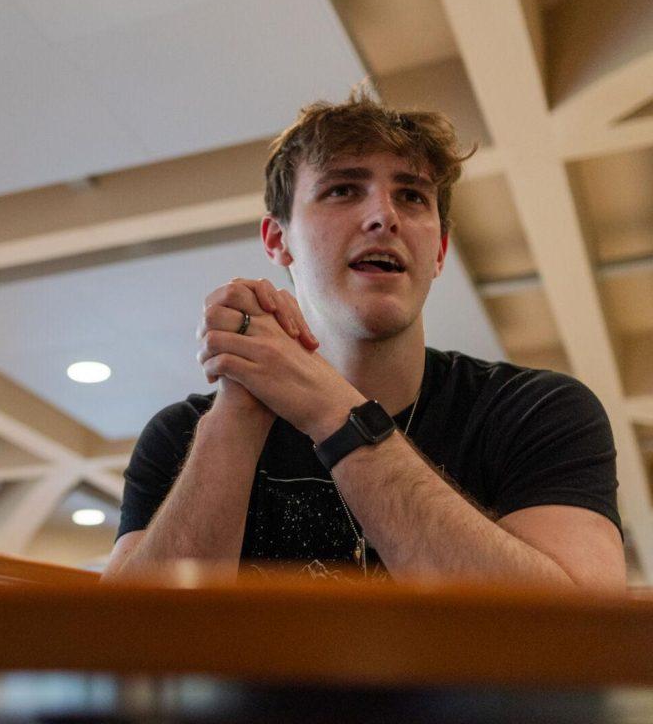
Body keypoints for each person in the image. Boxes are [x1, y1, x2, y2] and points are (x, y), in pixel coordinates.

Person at [104, 94, 625, 589]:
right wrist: (238, 411)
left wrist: (331, 409)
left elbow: (580, 638)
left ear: (440, 250)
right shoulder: (183, 437)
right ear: (277, 239)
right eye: (343, 190)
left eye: (412, 196)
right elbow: (117, 657)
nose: (384, 216)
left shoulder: (537, 411)